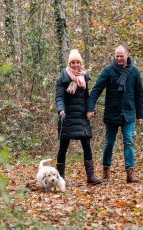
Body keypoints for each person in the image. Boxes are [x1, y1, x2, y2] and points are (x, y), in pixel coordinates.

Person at [86, 45, 143, 183]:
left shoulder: (134, 72)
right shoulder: (108, 71)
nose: (118, 58)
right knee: (109, 143)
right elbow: (96, 90)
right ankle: (106, 169)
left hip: (128, 113)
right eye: (116, 56)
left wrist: (140, 115)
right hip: (112, 113)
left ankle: (130, 172)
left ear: (127, 55)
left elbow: (139, 95)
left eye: (121, 56)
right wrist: (90, 108)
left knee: (128, 141)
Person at [55, 49, 101, 185]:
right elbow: (59, 97)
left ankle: (90, 176)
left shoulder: (84, 78)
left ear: (81, 63)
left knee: (86, 145)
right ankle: (60, 178)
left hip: (81, 117)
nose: (75, 65)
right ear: (69, 63)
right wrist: (61, 110)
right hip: (67, 117)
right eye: (73, 62)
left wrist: (90, 110)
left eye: (77, 62)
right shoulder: (62, 79)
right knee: (63, 147)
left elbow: (87, 97)